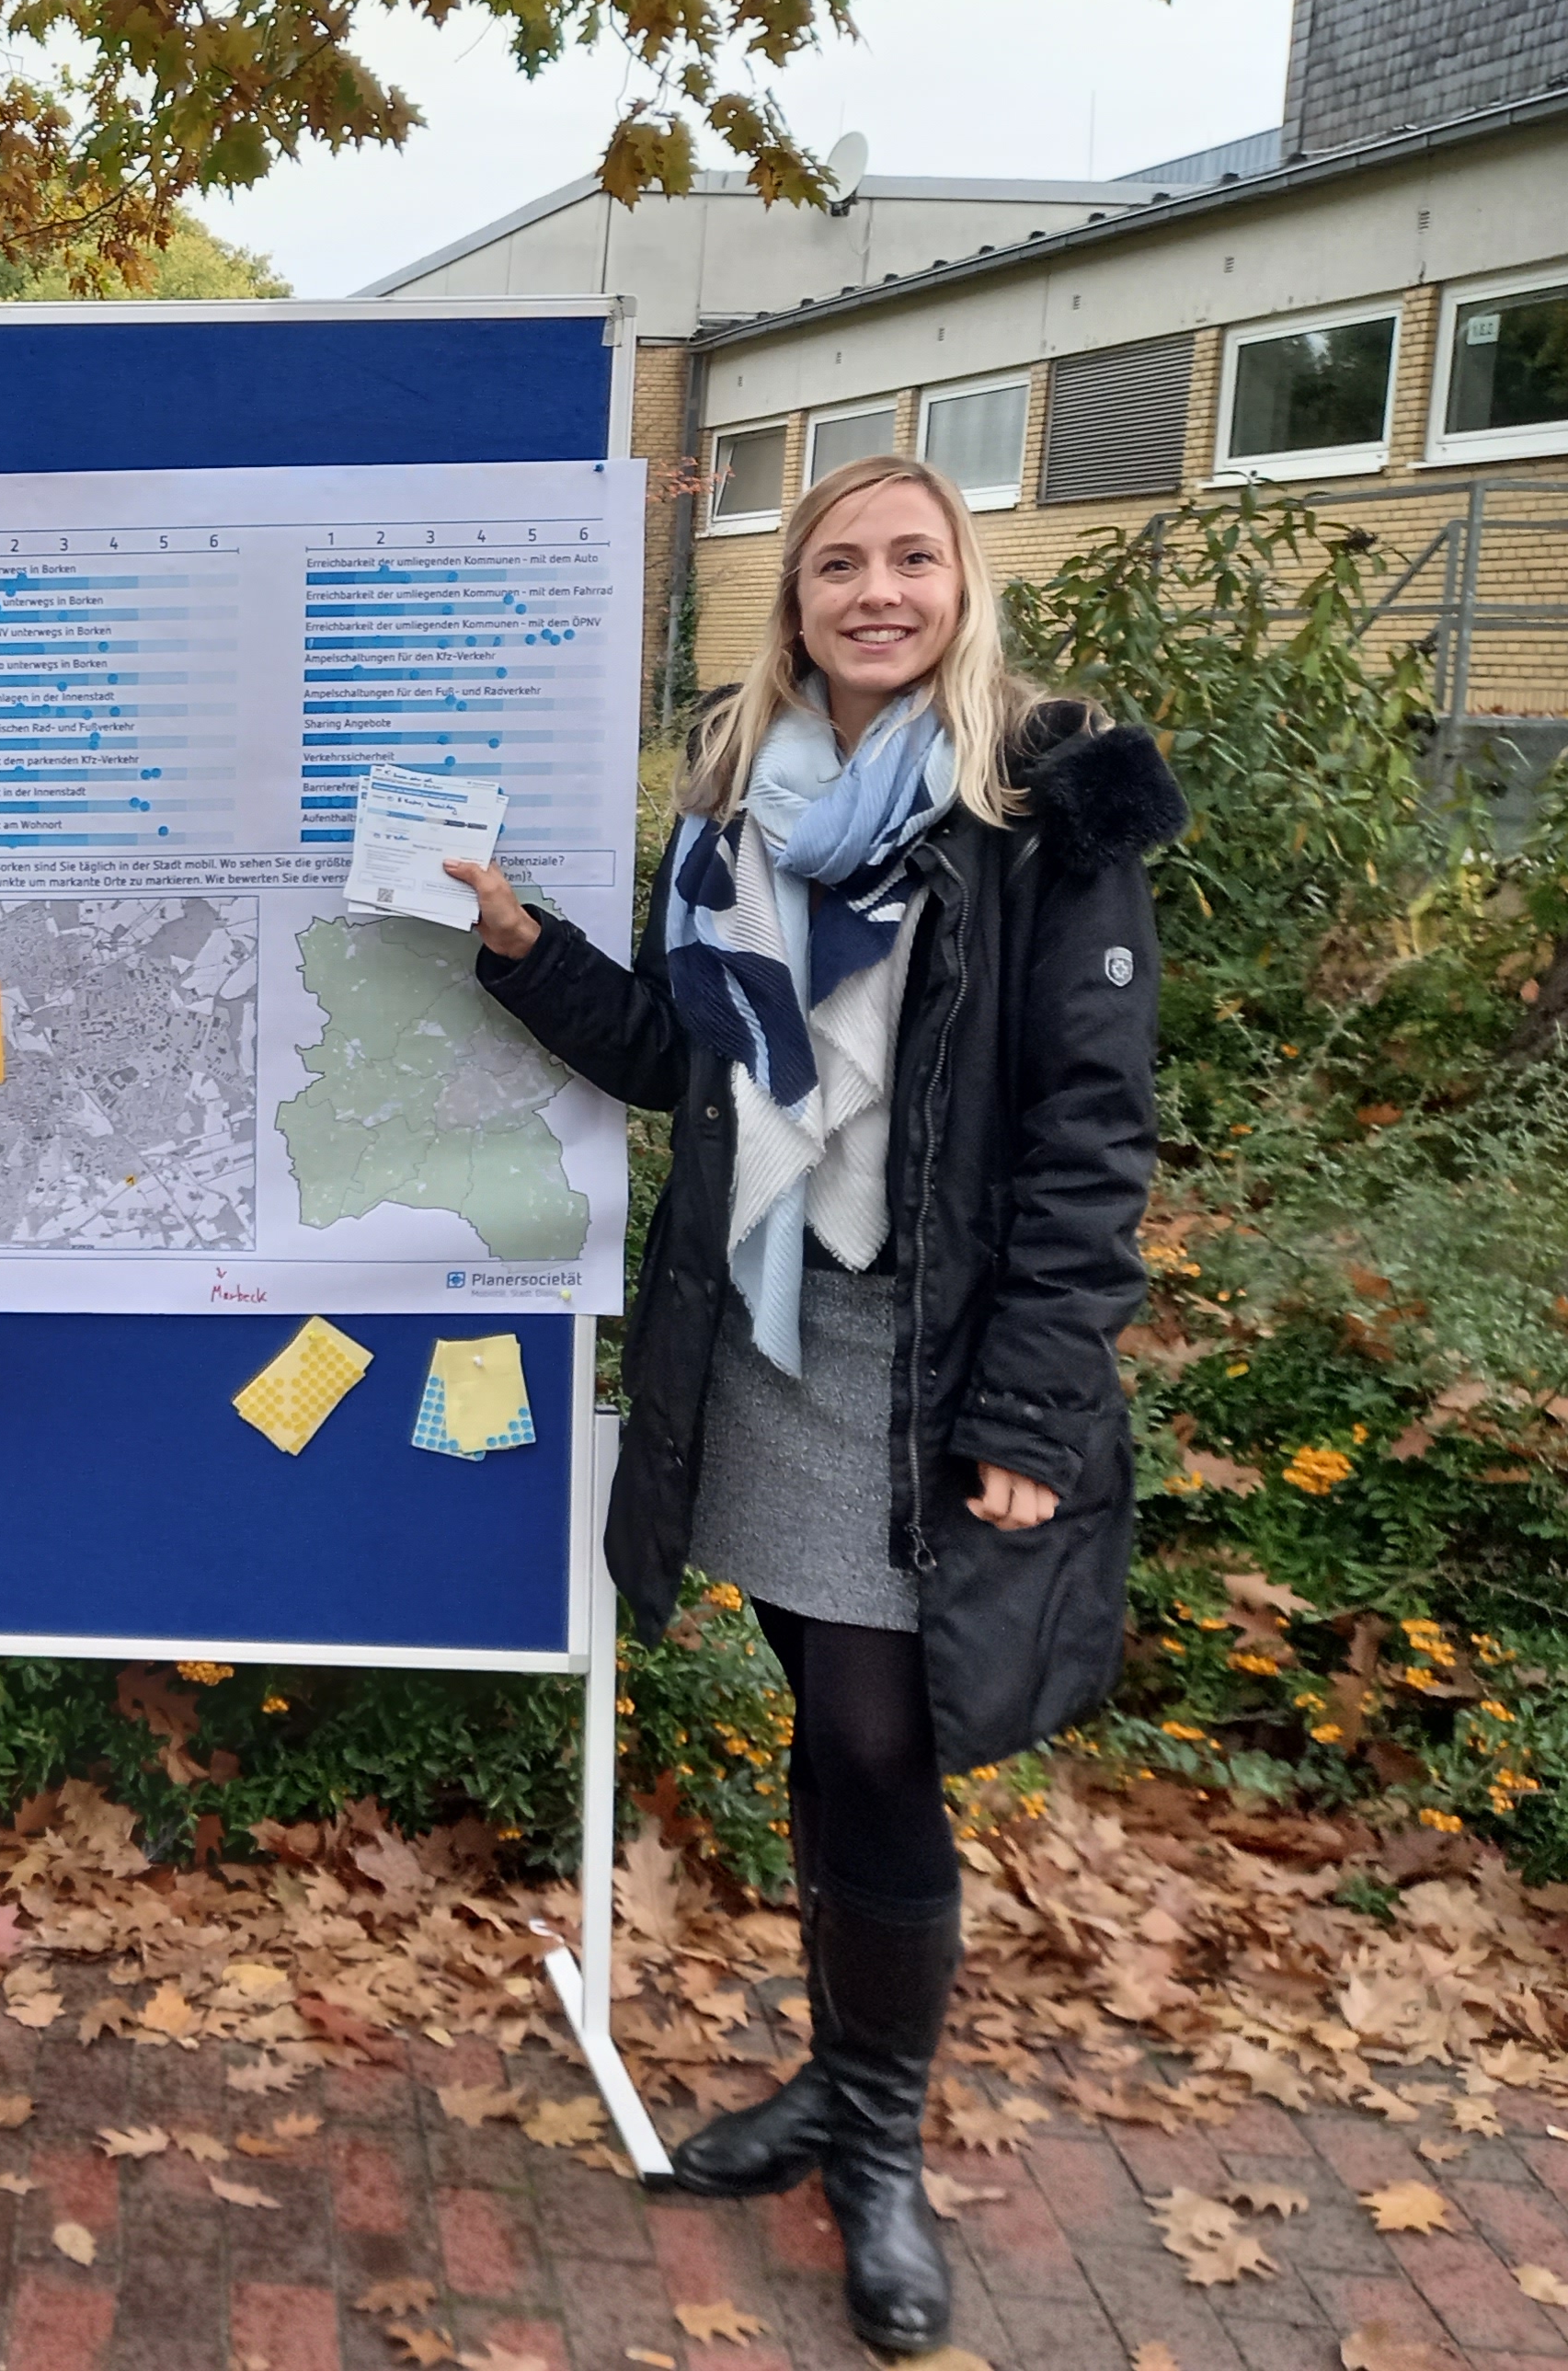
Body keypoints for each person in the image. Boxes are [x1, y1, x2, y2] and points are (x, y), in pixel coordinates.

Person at [445, 451, 1184, 2357]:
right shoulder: (732, 805)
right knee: (824, 1723)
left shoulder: (1034, 808)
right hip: (759, 1332)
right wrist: (522, 950)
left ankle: (873, 2151)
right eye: (835, 563)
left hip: (923, 1348)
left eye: (907, 558)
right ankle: (835, 2085)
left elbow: (1088, 1136)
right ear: (792, 604)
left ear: (961, 584)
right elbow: (687, 1062)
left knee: (875, 1738)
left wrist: (1028, 1414)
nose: (872, 591)